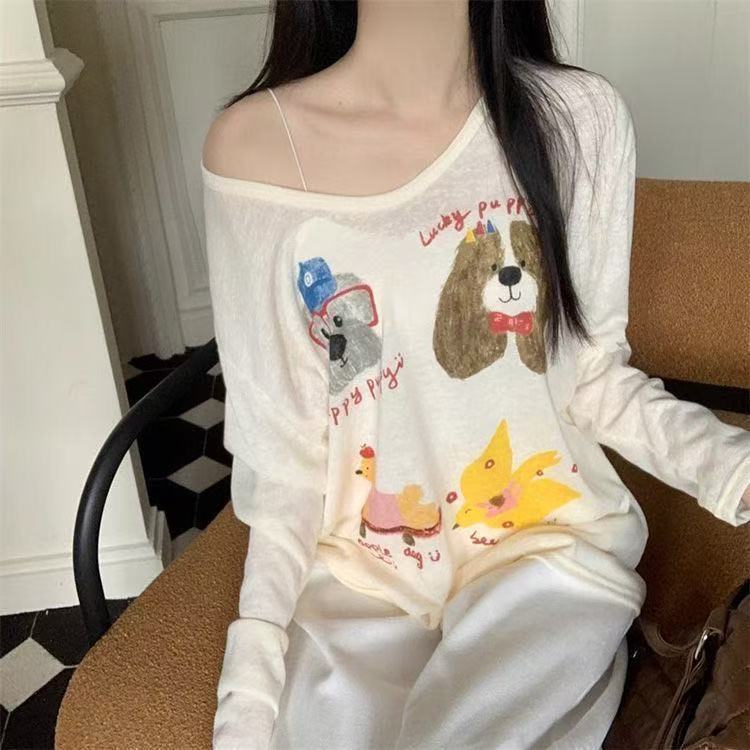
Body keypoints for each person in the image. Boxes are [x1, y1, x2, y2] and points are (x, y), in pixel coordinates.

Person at [200, 1, 750, 748]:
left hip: (545, 555)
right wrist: (248, 697)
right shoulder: (253, 151)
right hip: (361, 580)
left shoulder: (578, 120)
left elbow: (594, 379)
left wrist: (734, 469)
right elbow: (285, 463)